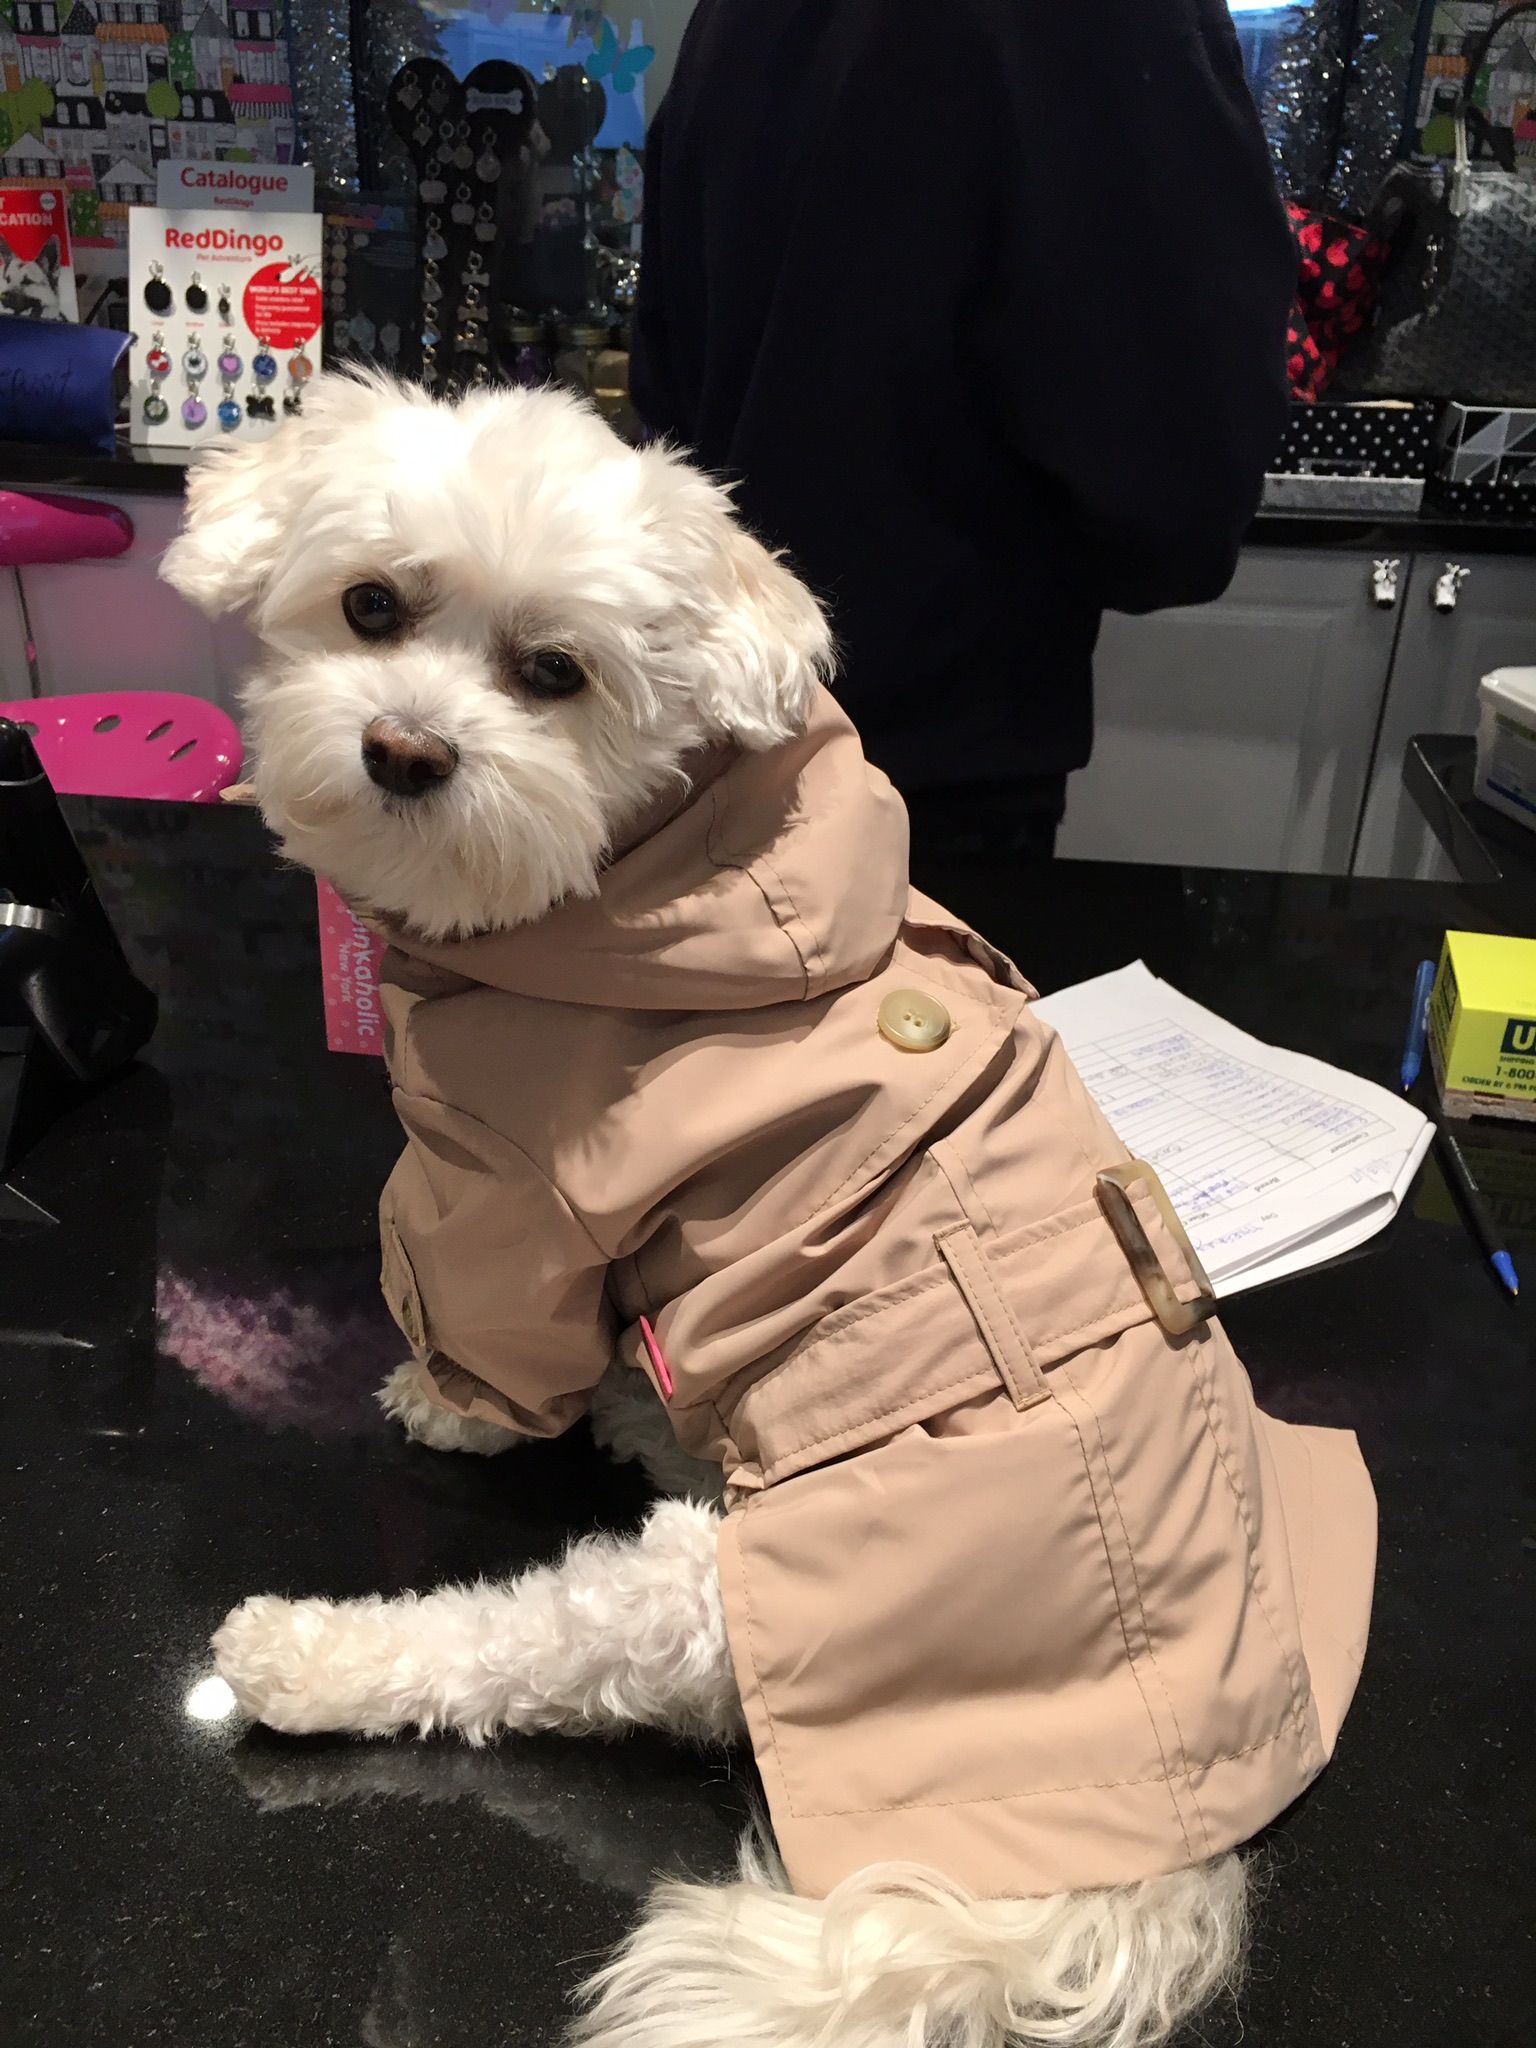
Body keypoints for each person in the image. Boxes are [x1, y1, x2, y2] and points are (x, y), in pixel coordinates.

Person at [632, 0, 1296, 866]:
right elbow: (1178, 474)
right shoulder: (1095, 24)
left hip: (730, 722)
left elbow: (664, 390)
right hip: (946, 757)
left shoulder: (735, 16)